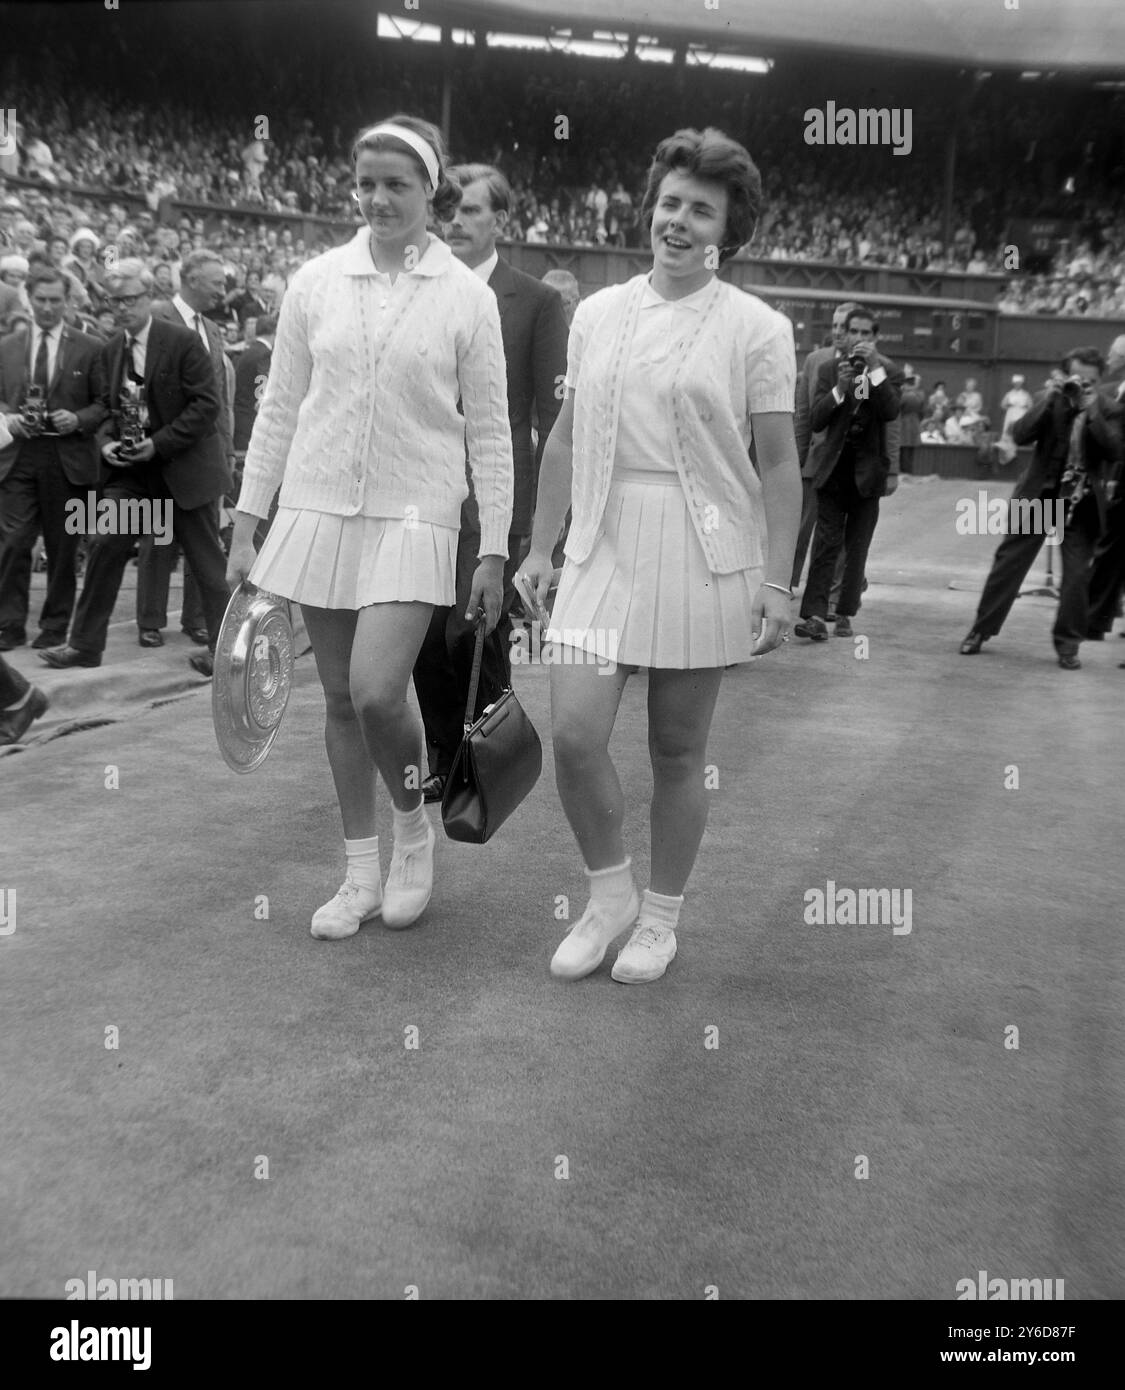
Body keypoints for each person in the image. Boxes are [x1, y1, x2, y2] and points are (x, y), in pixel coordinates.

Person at [520, 126, 800, 985]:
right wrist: (539, 547)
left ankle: (660, 920)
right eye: (670, 203)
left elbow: (779, 463)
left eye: (701, 210)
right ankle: (608, 896)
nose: (678, 221)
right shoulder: (597, 313)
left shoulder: (757, 328)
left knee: (677, 753)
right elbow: (564, 438)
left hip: (702, 547)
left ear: (729, 229)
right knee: (571, 735)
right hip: (600, 542)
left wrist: (780, 583)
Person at [225, 115, 513, 941]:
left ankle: (413, 827)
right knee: (342, 707)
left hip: (419, 510)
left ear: (431, 191)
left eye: (397, 183)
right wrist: (248, 522)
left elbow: (489, 432)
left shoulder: (466, 295)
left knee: (377, 690)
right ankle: (357, 871)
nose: (379, 198)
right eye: (367, 183)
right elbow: (279, 408)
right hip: (316, 508)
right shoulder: (315, 279)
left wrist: (492, 545)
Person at [412, 163, 568, 803]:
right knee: (421, 635)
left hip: (496, 503)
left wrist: (542, 531)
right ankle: (444, 753)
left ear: (500, 219)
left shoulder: (534, 300)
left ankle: (489, 752)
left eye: (472, 210)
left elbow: (552, 419)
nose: (456, 221)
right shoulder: (419, 288)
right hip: (420, 494)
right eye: (450, 209)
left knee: (473, 632)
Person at [38, 259, 231, 675]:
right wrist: (106, 442)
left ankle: (226, 651)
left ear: (148, 298)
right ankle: (84, 645)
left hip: (183, 470)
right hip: (135, 475)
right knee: (105, 543)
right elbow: (106, 408)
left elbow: (206, 406)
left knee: (207, 564)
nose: (122, 307)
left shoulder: (180, 341)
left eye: (129, 299)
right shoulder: (110, 350)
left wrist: (157, 443)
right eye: (114, 300)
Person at [960, 347, 1123, 669]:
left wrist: (1091, 413)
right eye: (1078, 379)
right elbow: (1019, 434)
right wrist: (1049, 400)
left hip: (1081, 500)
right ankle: (980, 631)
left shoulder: (1111, 409)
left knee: (1076, 577)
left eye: (1091, 381)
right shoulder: (1050, 399)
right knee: (1009, 565)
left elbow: (1116, 449)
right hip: (1040, 494)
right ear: (1065, 375)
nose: (1083, 386)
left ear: (1099, 380)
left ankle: (1068, 645)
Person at [0, 268, 109, 653]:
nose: (47, 307)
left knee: (63, 547)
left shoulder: (91, 347)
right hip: (18, 455)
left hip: (68, 456)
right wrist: (9, 417)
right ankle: (10, 624)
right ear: (29, 299)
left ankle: (55, 624)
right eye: (41, 300)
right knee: (13, 542)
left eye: (55, 300)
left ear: (68, 302)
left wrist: (78, 419)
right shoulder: (7, 346)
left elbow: (105, 403)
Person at [135, 249, 236, 651]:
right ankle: (150, 620)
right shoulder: (156, 318)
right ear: (192, 279)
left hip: (204, 452)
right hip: (161, 447)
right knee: (157, 535)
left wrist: (227, 448)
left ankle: (197, 619)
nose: (223, 291)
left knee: (205, 541)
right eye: (217, 282)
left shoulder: (212, 329)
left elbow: (220, 398)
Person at [794, 305, 903, 640]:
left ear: (875, 337)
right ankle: (814, 615)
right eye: (853, 332)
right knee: (825, 544)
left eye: (865, 333)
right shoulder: (828, 368)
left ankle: (844, 612)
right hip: (832, 470)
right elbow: (816, 419)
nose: (857, 338)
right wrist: (840, 390)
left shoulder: (889, 371)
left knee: (857, 547)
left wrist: (874, 371)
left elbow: (889, 411)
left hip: (868, 474)